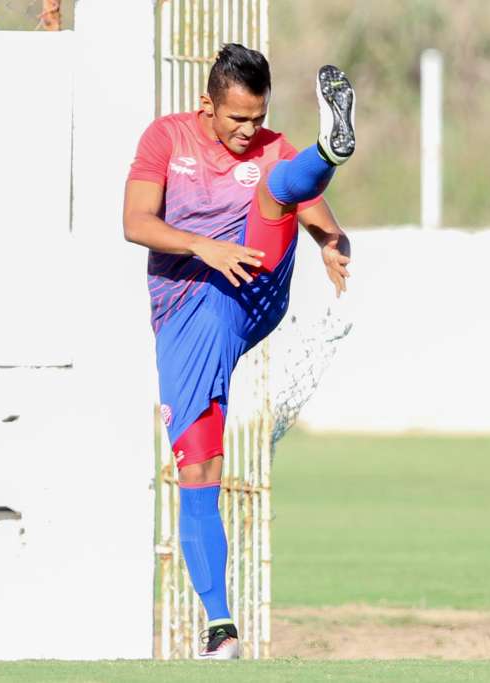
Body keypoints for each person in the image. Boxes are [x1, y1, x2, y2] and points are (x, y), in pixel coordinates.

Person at [123, 43, 355, 659]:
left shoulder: (272, 148)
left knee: (275, 189)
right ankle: (220, 628)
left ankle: (329, 151)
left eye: (259, 117)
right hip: (183, 315)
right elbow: (135, 222)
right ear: (207, 104)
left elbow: (305, 206)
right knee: (197, 467)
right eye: (237, 119)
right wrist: (203, 246)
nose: (250, 131)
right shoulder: (166, 139)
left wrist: (331, 239)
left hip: (253, 289)